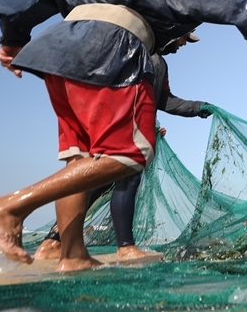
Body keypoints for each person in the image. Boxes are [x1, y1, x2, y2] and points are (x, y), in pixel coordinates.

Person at [0, 0, 247, 270]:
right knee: (131, 155)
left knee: (80, 156)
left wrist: (12, 38)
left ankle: (72, 255)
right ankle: (12, 207)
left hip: (59, 50)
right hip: (109, 48)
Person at [34, 32, 212, 261]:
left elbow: (163, 99)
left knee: (96, 183)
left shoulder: (156, 62)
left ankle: (52, 242)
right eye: (183, 38)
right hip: (116, 123)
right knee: (129, 173)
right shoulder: (143, 55)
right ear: (172, 32)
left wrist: (198, 108)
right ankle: (126, 247)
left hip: (110, 121)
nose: (184, 44)